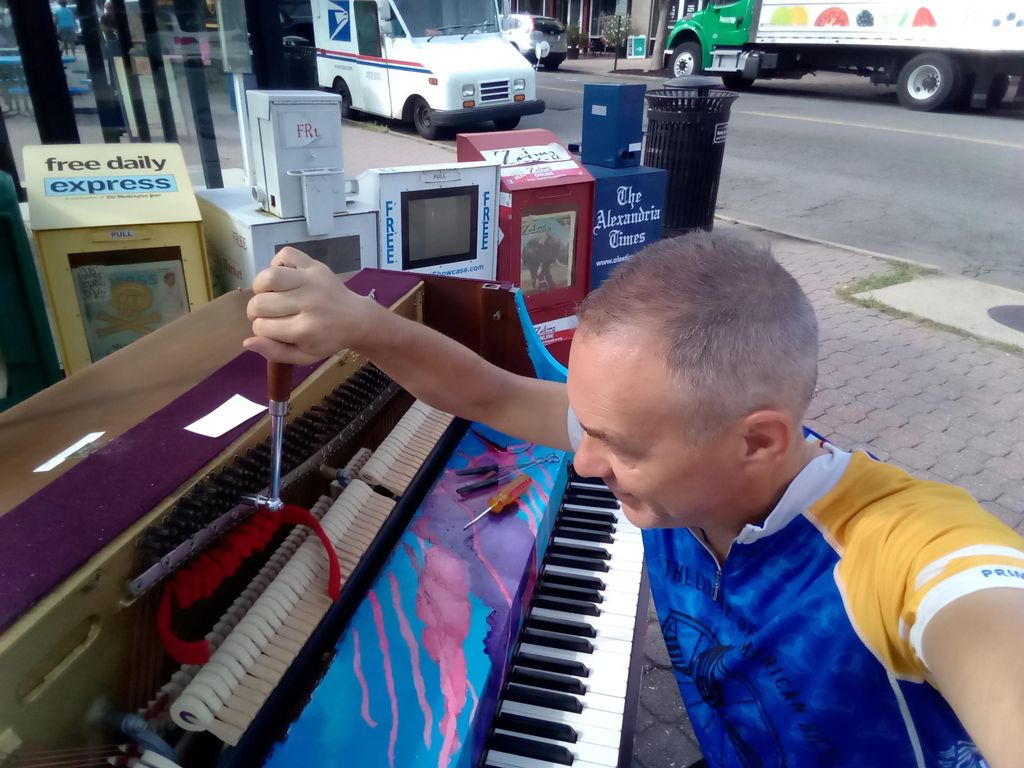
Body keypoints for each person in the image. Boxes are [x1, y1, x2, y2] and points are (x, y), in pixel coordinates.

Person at [245, 232, 1024, 767]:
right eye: (587, 425)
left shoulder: (906, 551)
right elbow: (488, 393)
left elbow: (990, 626)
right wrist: (361, 324)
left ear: (758, 440)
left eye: (619, 444)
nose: (583, 462)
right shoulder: (695, 461)